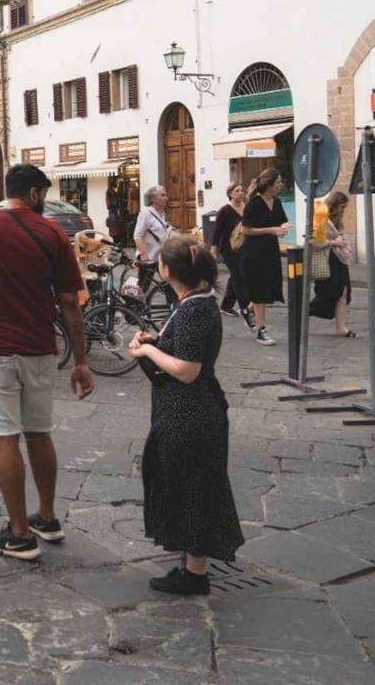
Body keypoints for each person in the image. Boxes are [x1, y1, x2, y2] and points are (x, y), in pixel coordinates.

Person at [0, 163, 93, 561]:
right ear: (33, 194)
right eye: (43, 194)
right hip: (41, 350)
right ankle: (46, 517)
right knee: (40, 434)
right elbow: (68, 302)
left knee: (5, 439)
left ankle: (19, 533)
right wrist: (80, 360)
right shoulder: (51, 234)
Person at [127, 235, 244, 595]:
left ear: (166, 270)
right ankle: (192, 565)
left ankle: (195, 574)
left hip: (190, 413)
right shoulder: (195, 302)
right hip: (189, 411)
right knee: (189, 485)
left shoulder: (194, 309)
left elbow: (187, 369)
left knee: (194, 489)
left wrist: (149, 354)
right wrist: (154, 341)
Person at [241, 169, 287, 347]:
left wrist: (282, 228)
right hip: (254, 252)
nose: (281, 184)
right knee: (260, 292)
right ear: (269, 184)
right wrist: (272, 230)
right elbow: (246, 230)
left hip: (270, 251)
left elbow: (280, 222)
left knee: (268, 288)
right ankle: (261, 330)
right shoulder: (253, 204)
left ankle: (247, 309)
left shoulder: (277, 202)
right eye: (279, 182)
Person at [311, 190, 355, 338]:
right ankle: (306, 311)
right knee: (329, 293)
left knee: (343, 292)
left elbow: (340, 235)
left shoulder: (338, 221)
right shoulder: (321, 217)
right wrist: (333, 242)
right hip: (328, 257)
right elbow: (314, 242)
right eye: (343, 207)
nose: (344, 210)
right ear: (336, 206)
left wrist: (340, 242)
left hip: (339, 259)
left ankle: (341, 328)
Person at [212, 182, 252, 327]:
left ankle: (226, 306)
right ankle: (245, 307)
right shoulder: (225, 211)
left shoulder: (247, 209)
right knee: (239, 278)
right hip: (229, 249)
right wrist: (214, 249)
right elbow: (217, 231)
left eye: (242, 190)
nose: (240, 193)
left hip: (245, 247)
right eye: (237, 191)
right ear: (230, 194)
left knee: (238, 275)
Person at [133, 185, 171, 293]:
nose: (166, 198)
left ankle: (173, 307)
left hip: (161, 256)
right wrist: (144, 256)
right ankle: (137, 309)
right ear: (153, 199)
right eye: (162, 195)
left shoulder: (162, 214)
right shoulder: (146, 213)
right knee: (142, 288)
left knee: (168, 284)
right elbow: (137, 236)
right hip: (148, 258)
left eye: (165, 195)